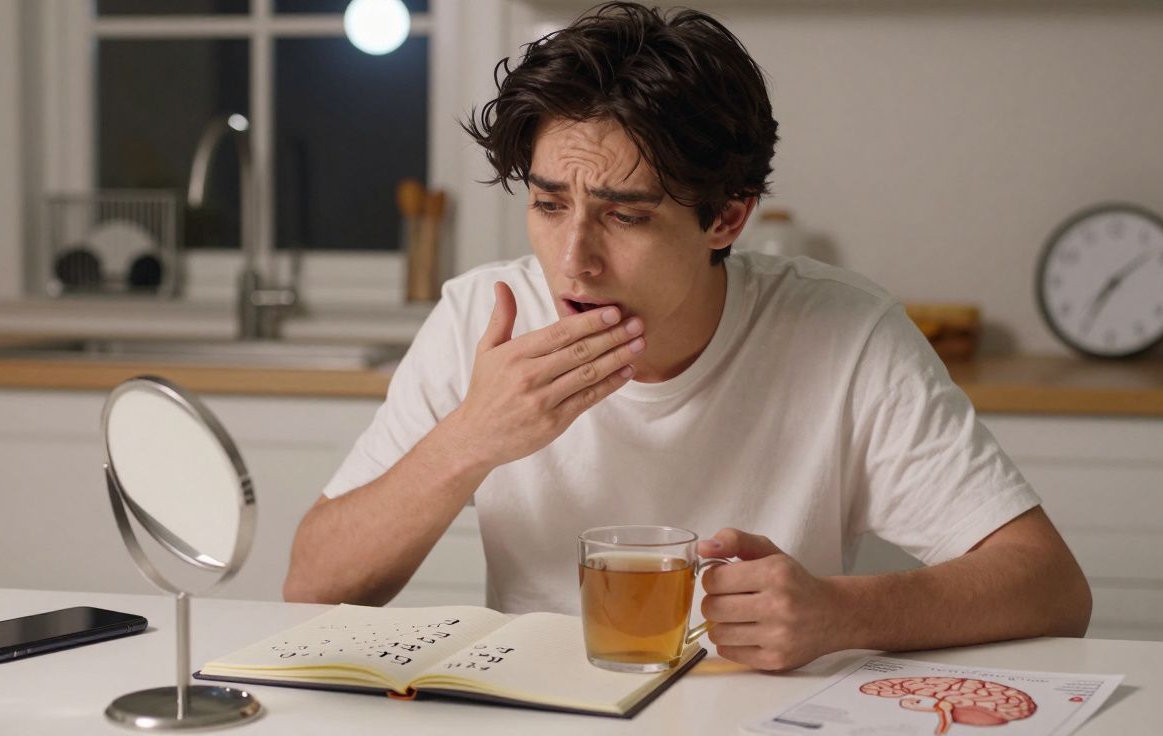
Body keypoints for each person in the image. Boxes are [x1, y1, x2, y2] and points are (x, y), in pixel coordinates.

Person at [283, 2, 1091, 671]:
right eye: (548, 203)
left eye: (625, 214)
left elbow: (1052, 587)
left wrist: (839, 612)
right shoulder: (476, 317)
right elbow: (311, 589)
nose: (574, 262)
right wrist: (469, 440)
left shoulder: (843, 332)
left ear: (727, 216)